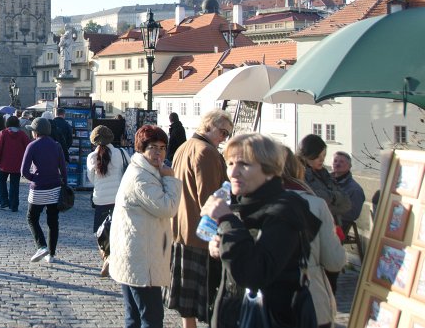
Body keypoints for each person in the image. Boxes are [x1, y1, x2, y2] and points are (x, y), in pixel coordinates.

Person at [204, 133, 321, 328]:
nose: (233, 173)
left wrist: (227, 221)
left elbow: (254, 273)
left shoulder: (283, 211)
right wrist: (219, 246)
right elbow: (242, 256)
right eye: (230, 164)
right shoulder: (246, 204)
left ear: (269, 170)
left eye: (244, 165)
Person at [164, 109, 233, 328]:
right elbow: (210, 199)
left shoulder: (184, 148)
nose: (224, 138)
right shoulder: (207, 152)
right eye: (222, 132)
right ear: (209, 126)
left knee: (187, 300)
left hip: (179, 229)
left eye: (227, 135)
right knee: (200, 296)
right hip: (200, 233)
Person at [109, 125, 181, 328]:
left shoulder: (144, 170)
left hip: (135, 254)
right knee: (151, 318)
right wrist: (170, 179)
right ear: (142, 148)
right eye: (153, 147)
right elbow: (167, 208)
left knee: (135, 317)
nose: (159, 152)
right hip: (141, 259)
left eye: (162, 147)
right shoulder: (142, 177)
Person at [281, 146, 346, 328]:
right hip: (308, 300)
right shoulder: (314, 203)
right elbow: (335, 261)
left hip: (258, 306)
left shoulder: (246, 203)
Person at [296, 134, 352, 293]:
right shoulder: (301, 174)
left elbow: (347, 203)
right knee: (320, 280)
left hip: (332, 228)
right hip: (313, 231)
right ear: (307, 154)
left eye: (324, 156)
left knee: (332, 276)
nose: (321, 160)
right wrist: (333, 199)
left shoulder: (324, 174)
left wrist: (331, 198)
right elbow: (317, 201)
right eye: (318, 156)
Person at [21, 117, 67, 264]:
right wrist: (63, 183)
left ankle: (41, 246)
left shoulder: (32, 146)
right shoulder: (57, 146)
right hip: (55, 187)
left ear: (36, 132)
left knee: (32, 218)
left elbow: (23, 170)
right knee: (53, 221)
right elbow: (63, 168)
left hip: (39, 189)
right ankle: (51, 254)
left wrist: (34, 177)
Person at [86, 125, 129, 277]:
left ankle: (107, 257)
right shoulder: (122, 153)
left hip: (101, 199)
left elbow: (91, 179)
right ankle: (116, 259)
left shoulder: (92, 157)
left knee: (100, 232)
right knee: (117, 231)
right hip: (119, 199)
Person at [0, 115, 30, 212]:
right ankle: (14, 205)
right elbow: (28, 148)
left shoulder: (3, 133)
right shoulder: (22, 135)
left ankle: (4, 201)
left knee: (1, 181)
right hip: (17, 164)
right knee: (15, 185)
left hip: (3, 164)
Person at [331, 151, 366, 227]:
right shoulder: (324, 181)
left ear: (349, 166)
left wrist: (328, 210)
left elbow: (352, 214)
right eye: (335, 161)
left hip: (337, 225)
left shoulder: (354, 189)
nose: (337, 164)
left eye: (341, 162)